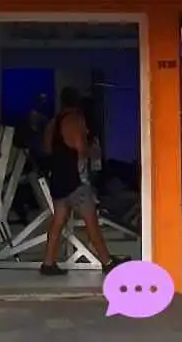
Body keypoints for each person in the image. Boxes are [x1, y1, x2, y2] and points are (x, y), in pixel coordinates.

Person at [38, 87, 126, 276]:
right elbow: (81, 148)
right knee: (91, 221)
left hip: (58, 179)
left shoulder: (53, 122)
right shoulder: (75, 120)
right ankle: (107, 262)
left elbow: (46, 149)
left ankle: (48, 262)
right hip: (75, 180)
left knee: (57, 222)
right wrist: (92, 150)